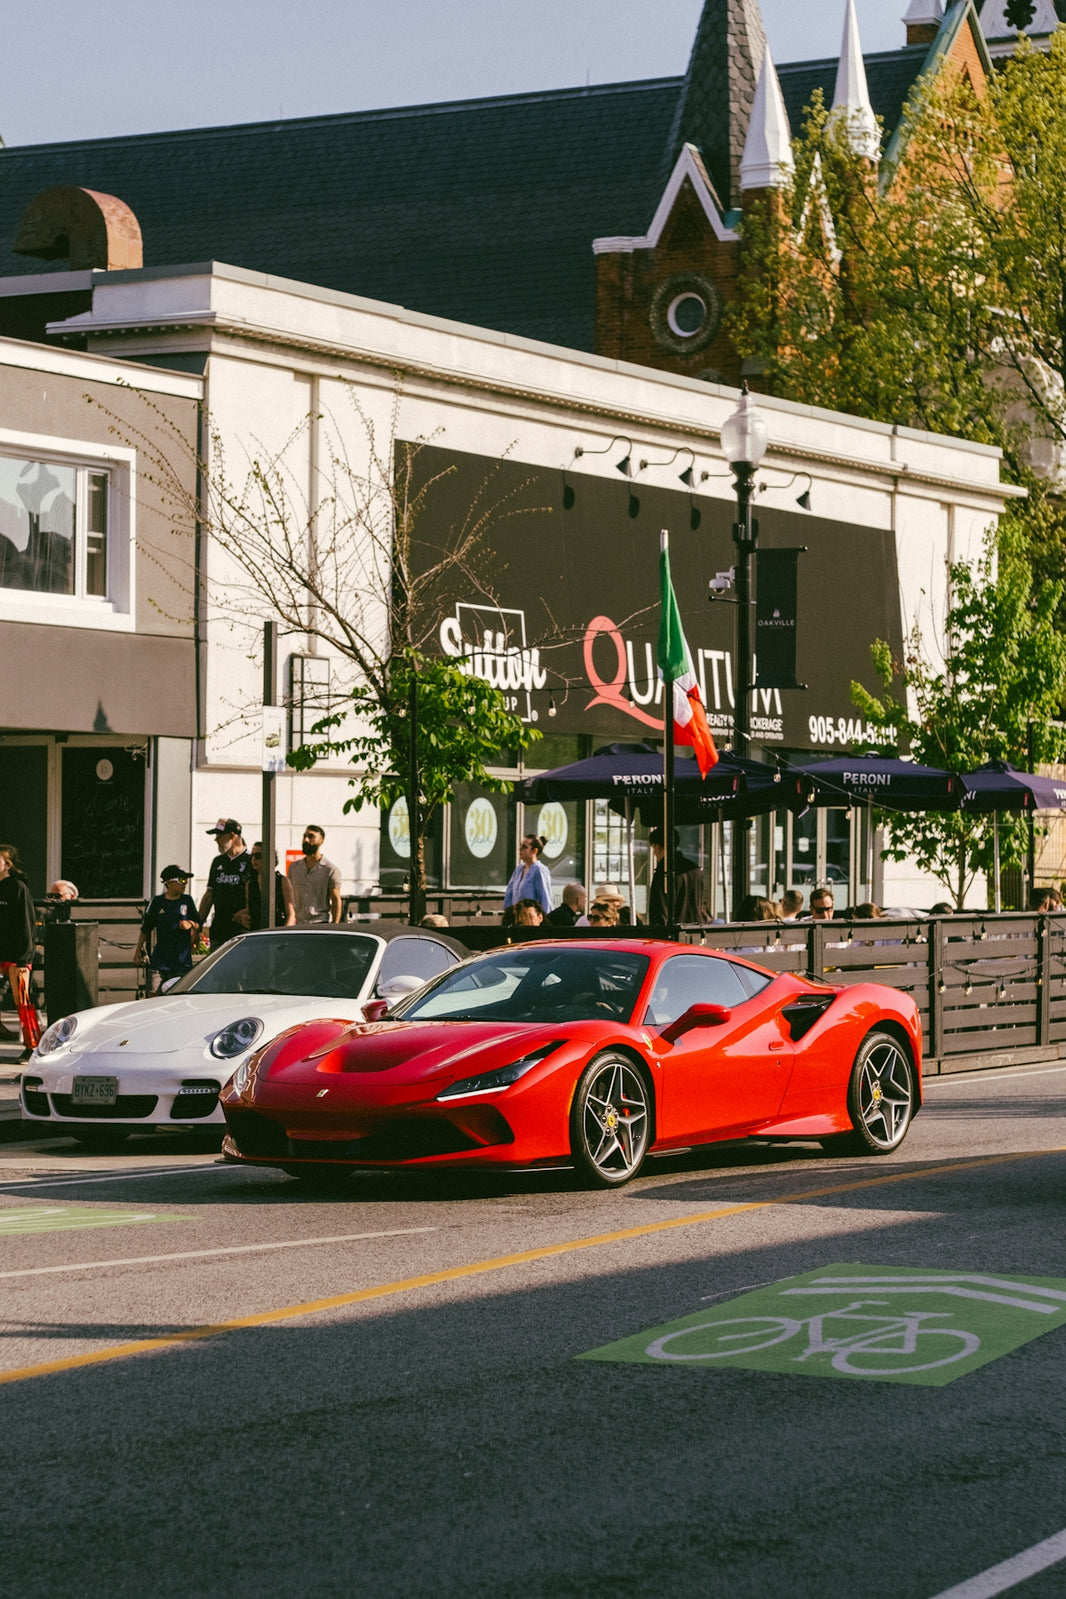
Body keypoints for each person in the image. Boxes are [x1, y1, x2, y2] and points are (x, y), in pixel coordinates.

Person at [0, 844, 40, 1059]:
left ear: (8, 864)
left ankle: (32, 1046)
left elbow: (26, 924)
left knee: (22, 1002)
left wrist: (24, 957)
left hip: (17, 956)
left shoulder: (17, 888)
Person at [135, 867, 201, 993]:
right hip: (160, 961)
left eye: (186, 880)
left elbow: (198, 924)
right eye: (182, 880)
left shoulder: (187, 900)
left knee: (178, 998)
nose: (185, 883)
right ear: (169, 883)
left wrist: (191, 924)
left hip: (182, 963)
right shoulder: (157, 902)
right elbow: (146, 929)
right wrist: (138, 950)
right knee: (153, 995)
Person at [198, 818, 254, 950]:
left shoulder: (251, 860)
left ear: (233, 835)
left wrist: (250, 911)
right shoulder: (218, 862)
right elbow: (209, 894)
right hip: (219, 929)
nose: (216, 839)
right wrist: (198, 924)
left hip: (242, 930)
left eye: (219, 835)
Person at [647, 827, 706, 925]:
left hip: (673, 932)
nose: (654, 853)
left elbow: (659, 909)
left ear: (658, 846)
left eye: (653, 848)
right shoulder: (694, 869)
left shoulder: (664, 871)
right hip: (696, 929)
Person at [288, 824, 343, 925]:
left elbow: (335, 900)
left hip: (320, 923)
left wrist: (335, 926)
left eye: (311, 836)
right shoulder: (294, 868)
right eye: (304, 836)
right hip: (297, 924)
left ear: (321, 841)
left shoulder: (330, 870)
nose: (306, 840)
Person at [502, 834, 552, 922]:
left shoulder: (539, 870)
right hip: (517, 919)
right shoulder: (519, 869)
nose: (520, 849)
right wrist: (508, 915)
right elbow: (509, 894)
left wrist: (545, 922)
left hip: (531, 920)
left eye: (524, 847)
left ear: (534, 850)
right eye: (520, 846)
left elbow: (545, 899)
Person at [247, 842, 296, 928]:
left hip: (278, 930)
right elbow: (249, 910)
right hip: (256, 931)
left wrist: (284, 932)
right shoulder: (250, 884)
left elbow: (291, 914)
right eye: (252, 856)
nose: (254, 859)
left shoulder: (282, 881)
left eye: (258, 856)